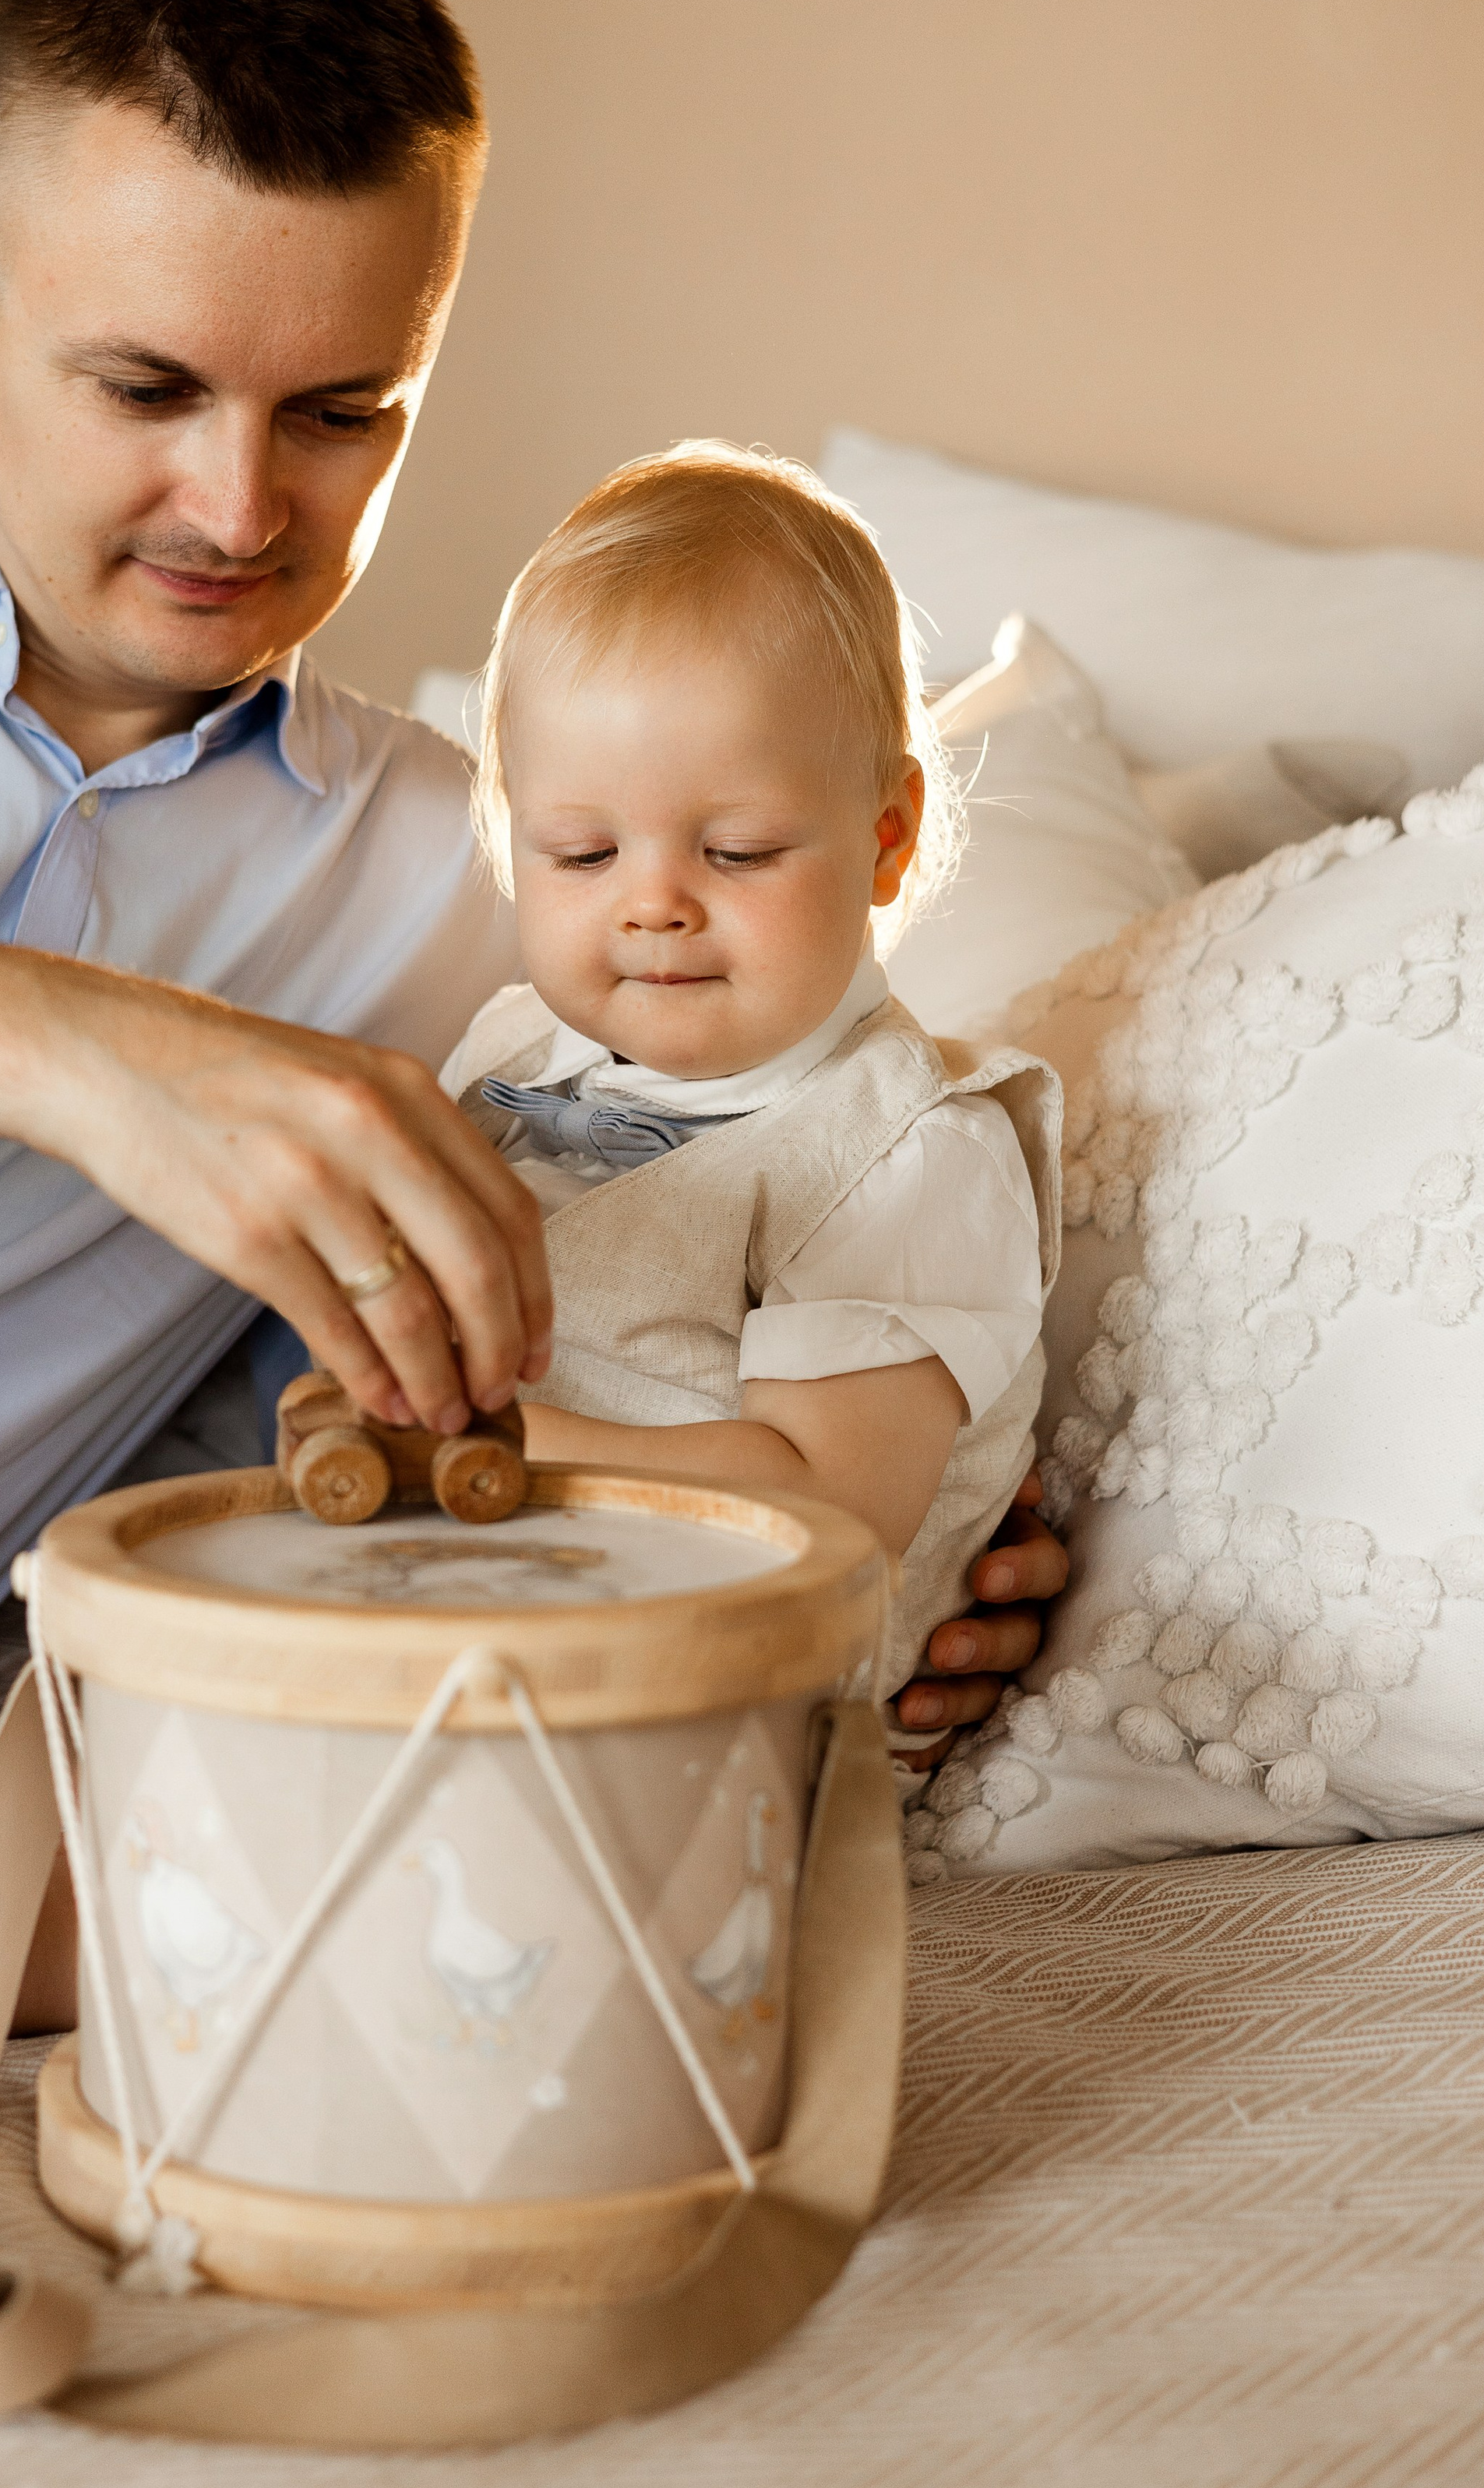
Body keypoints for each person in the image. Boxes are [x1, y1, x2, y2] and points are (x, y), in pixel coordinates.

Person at [0, 0, 1057, 1995]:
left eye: (345, 415)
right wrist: (52, 1043)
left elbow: (503, 1326)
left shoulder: (485, 899)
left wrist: (884, 1557)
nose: (245, 513)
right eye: (146, 390)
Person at [452, 442, 1061, 1716]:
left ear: (885, 836)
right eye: (581, 851)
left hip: (724, 1719)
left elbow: (829, 1519)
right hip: (473, 1631)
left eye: (735, 851)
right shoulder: (509, 1053)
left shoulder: (905, 1156)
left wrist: (487, 1452)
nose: (654, 904)